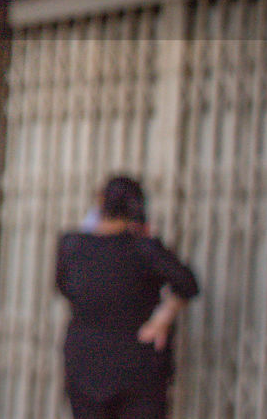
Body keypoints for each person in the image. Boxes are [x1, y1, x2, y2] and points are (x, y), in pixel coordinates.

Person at [56, 176, 199, 419]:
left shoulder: (71, 245)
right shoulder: (144, 249)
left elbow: (64, 288)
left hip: (84, 360)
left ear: (100, 202)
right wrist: (162, 319)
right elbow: (187, 284)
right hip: (137, 364)